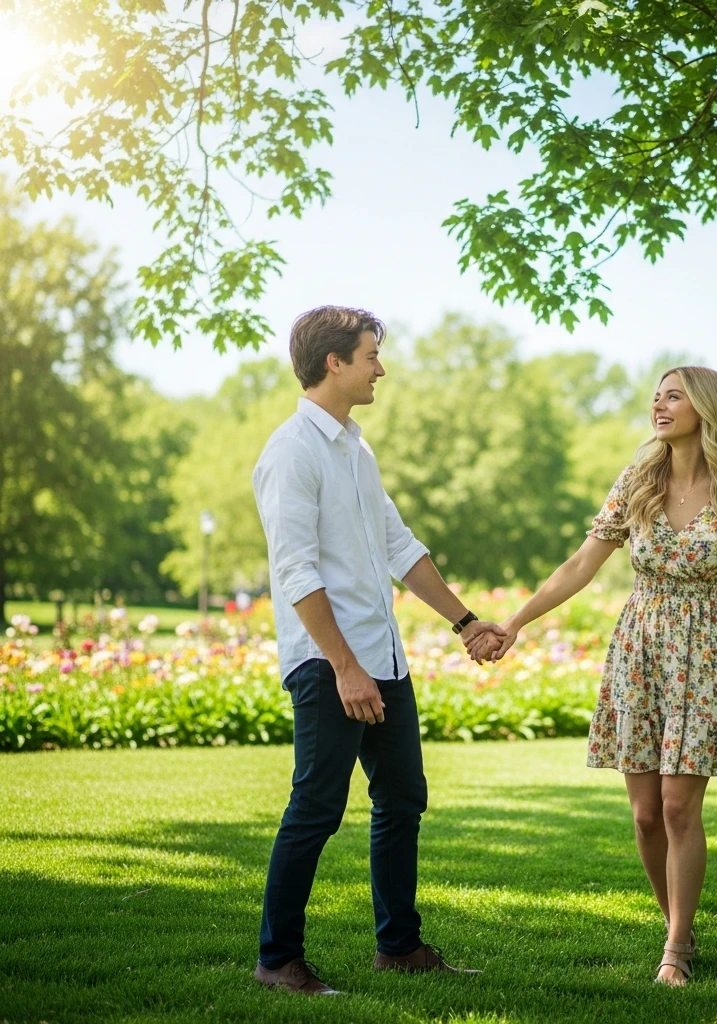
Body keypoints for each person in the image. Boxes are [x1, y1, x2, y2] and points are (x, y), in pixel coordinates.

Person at [470, 366, 717, 988]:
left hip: (705, 654)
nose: (659, 404)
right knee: (645, 815)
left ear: (705, 407)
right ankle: (681, 924)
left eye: (674, 396)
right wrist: (515, 622)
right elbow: (583, 563)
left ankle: (674, 949)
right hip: (639, 650)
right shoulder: (638, 480)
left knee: (677, 806)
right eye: (657, 395)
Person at [251, 305, 505, 995]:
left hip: (382, 661)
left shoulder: (354, 448)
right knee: (317, 806)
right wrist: (342, 666)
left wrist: (466, 622)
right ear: (333, 361)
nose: (380, 369)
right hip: (329, 663)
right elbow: (296, 572)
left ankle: (398, 946)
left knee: (402, 797)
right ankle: (278, 960)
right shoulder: (291, 451)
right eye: (370, 356)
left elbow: (398, 547)